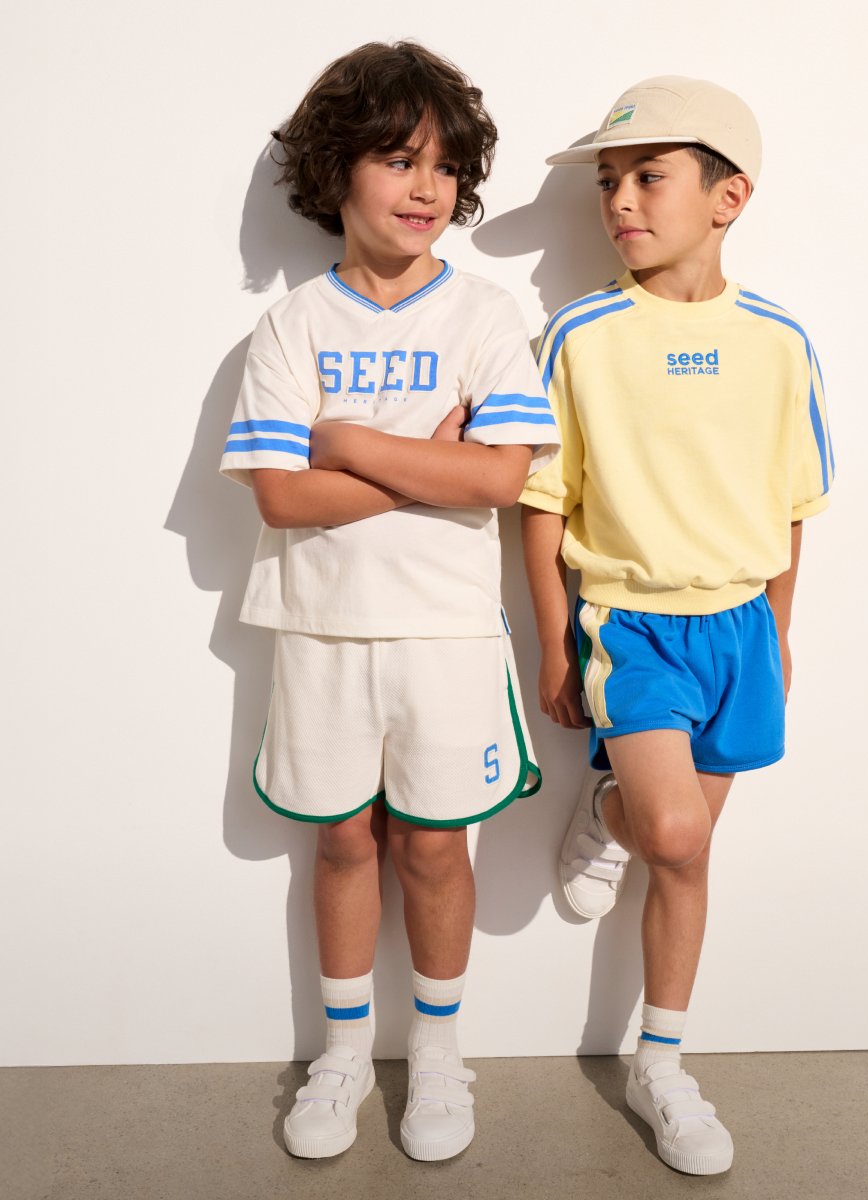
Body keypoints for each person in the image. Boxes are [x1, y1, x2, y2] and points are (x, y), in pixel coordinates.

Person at [220, 41, 558, 1163]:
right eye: (398, 159)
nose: (426, 188)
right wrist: (428, 461)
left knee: (435, 850)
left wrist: (351, 443)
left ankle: (441, 1054)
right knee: (342, 847)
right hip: (320, 631)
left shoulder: (486, 316)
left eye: (446, 166)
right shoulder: (292, 327)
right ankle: (345, 1054)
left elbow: (500, 480)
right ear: (337, 170)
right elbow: (281, 495)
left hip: (447, 634)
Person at [520, 75, 834, 1175]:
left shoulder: (781, 341)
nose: (619, 201)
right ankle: (616, 806)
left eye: (647, 177)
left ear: (728, 196)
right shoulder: (581, 334)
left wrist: (779, 634)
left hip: (740, 627)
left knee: (688, 853)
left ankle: (661, 1058)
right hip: (632, 625)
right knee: (676, 833)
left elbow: (793, 506)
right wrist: (558, 641)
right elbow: (543, 502)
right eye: (609, 180)